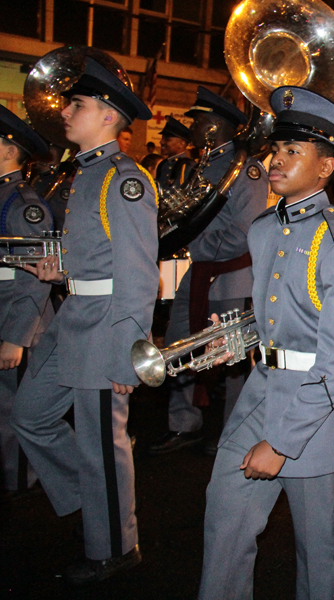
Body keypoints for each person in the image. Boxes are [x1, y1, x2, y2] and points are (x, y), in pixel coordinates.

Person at [198, 85, 334, 600]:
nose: (275, 159)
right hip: (262, 392)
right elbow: (278, 316)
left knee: (317, 545)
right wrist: (237, 340)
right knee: (225, 514)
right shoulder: (264, 229)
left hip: (321, 411)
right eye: (276, 148)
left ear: (325, 168)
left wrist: (280, 444)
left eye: (292, 151)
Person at [11, 57, 157, 584]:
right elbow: (100, 256)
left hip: (105, 327)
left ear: (108, 116)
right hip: (74, 314)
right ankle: (98, 501)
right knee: (30, 414)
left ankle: (115, 545)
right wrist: (62, 270)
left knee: (101, 444)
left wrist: (129, 354)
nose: (66, 112)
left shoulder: (124, 179)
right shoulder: (88, 172)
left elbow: (138, 275)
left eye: (78, 104)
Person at [149, 87, 269, 456]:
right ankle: (183, 424)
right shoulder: (203, 165)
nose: (193, 126)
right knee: (180, 345)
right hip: (198, 270)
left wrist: (193, 247)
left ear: (215, 126)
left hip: (229, 275)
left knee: (232, 360)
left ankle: (233, 433)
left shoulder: (245, 169)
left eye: (199, 120)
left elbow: (244, 232)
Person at [0, 104, 52, 498]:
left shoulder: (23, 204)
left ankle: (17, 484)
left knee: (10, 412)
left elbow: (35, 278)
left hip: (15, 321)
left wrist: (15, 337)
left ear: (8, 150)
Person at [155, 115, 195, 190]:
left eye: (167, 139)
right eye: (162, 138)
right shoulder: (163, 164)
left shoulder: (188, 166)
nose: (161, 142)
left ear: (181, 144)